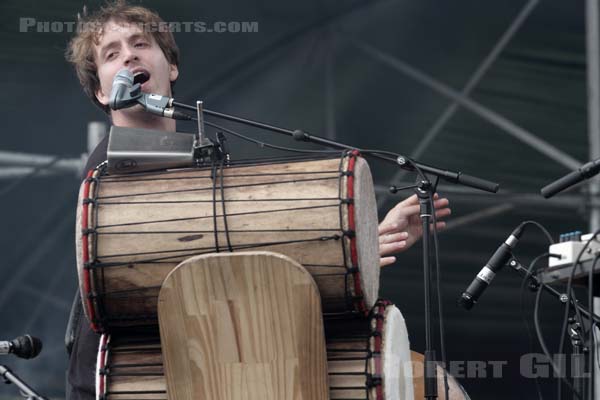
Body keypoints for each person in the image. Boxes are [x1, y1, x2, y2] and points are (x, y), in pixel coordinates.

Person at [64, 1, 451, 398]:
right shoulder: (107, 170)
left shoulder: (204, 161)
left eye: (141, 44)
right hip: (116, 382)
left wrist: (360, 243)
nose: (129, 54)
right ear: (100, 91)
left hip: (203, 370)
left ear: (172, 67)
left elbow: (246, 264)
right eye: (112, 53)